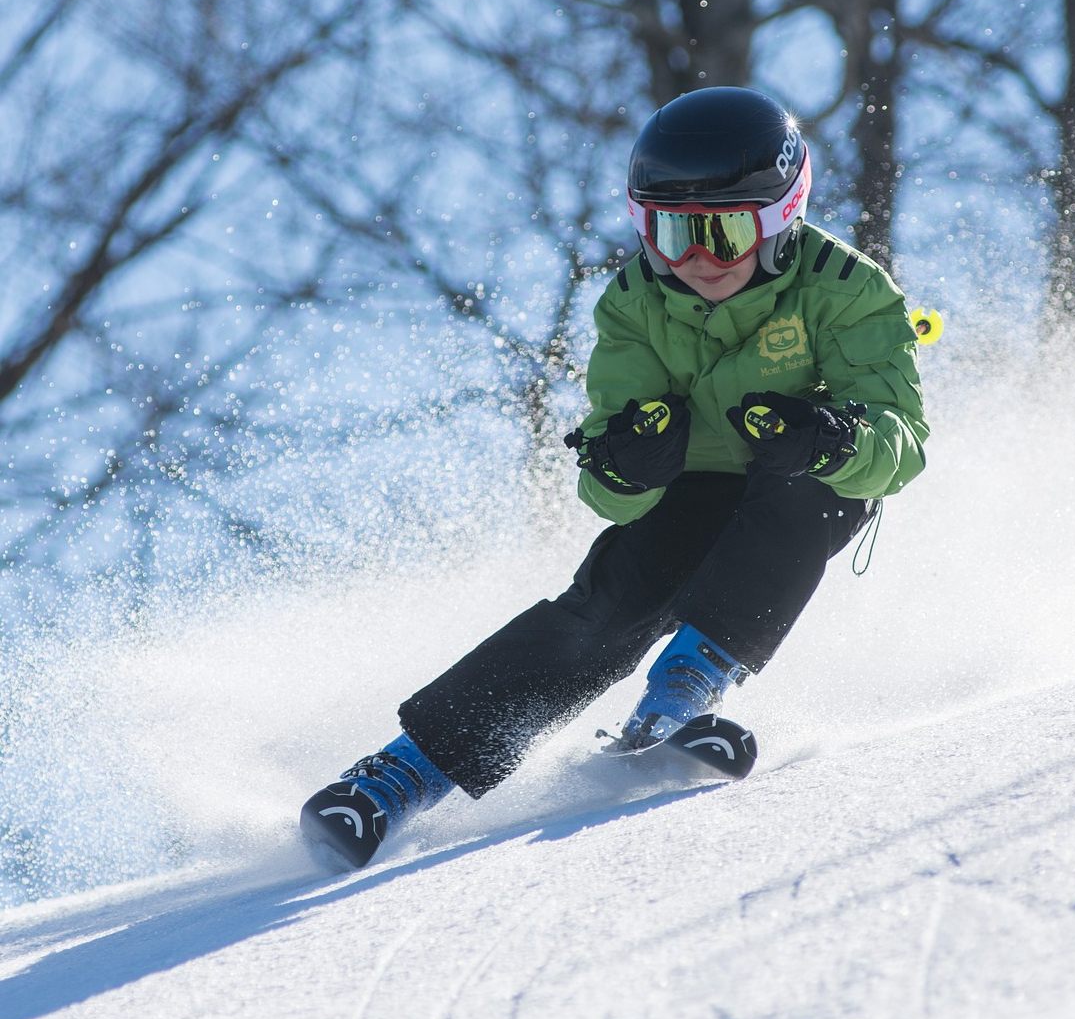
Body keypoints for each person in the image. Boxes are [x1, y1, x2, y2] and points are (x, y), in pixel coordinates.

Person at [300, 86, 929, 868]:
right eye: (669, 232)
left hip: (800, 480)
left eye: (724, 233)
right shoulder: (634, 302)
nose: (695, 259)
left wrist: (832, 438)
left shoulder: (848, 288)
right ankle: (398, 778)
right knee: (610, 603)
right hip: (691, 489)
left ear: (780, 220)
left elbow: (901, 445)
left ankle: (679, 698)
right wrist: (627, 463)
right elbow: (605, 487)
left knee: (817, 493)